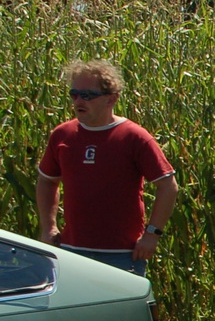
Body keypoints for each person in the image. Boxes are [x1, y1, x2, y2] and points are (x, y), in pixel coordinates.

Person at [37, 60, 178, 276]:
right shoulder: (62, 135)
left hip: (122, 255)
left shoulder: (134, 137)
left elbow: (168, 185)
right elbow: (47, 180)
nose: (78, 101)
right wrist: (48, 228)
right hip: (71, 252)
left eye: (87, 95)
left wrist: (152, 234)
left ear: (111, 99)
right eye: (74, 94)